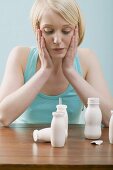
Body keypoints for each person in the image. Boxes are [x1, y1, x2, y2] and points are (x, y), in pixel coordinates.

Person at [0, 0, 113, 127]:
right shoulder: (20, 56)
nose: (57, 40)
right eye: (48, 30)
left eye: (66, 31)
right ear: (38, 30)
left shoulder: (87, 59)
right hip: (25, 144)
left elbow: (110, 118)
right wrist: (45, 70)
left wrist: (70, 71)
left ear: (77, 29)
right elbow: (3, 117)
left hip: (68, 144)